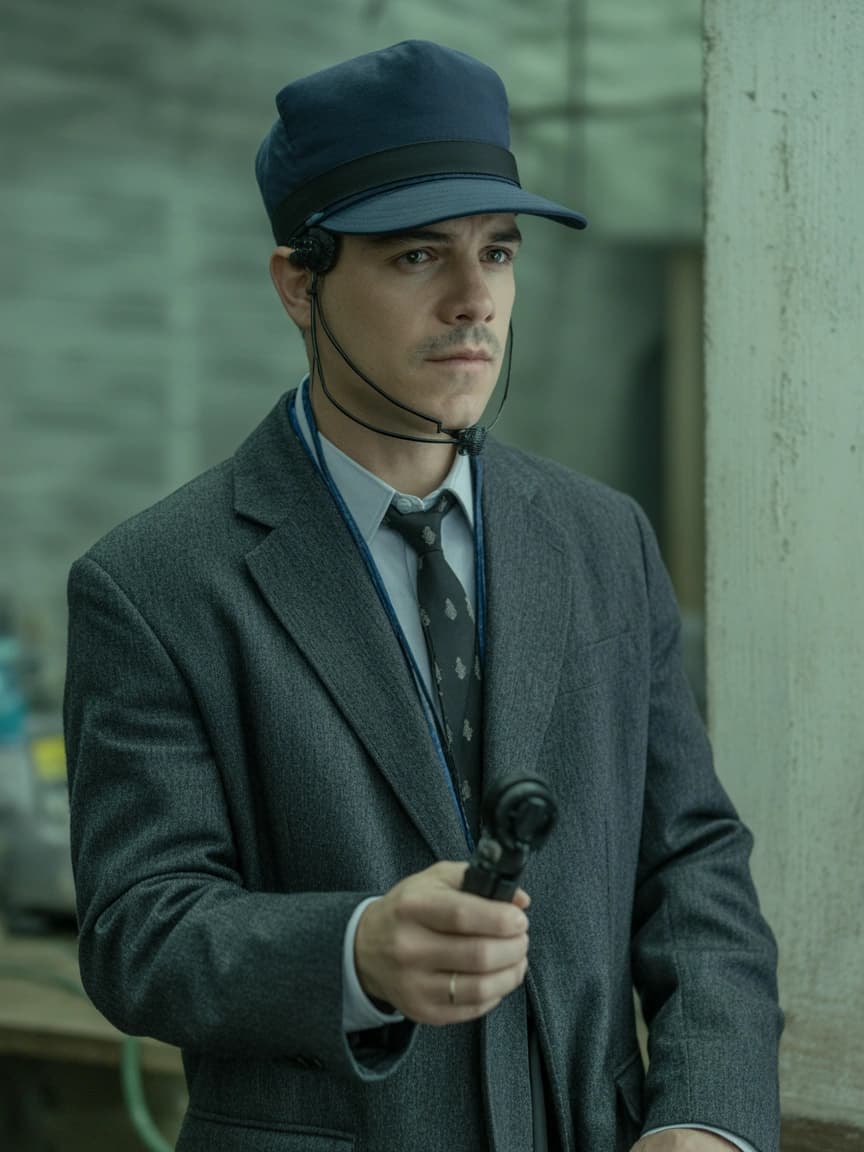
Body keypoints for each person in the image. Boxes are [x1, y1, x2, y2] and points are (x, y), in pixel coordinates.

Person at [64, 40, 782, 1152]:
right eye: (416, 256)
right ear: (299, 283)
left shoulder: (603, 540)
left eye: (497, 252)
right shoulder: (156, 584)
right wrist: (354, 950)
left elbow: (693, 865)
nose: (473, 299)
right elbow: (138, 933)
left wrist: (706, 1117)